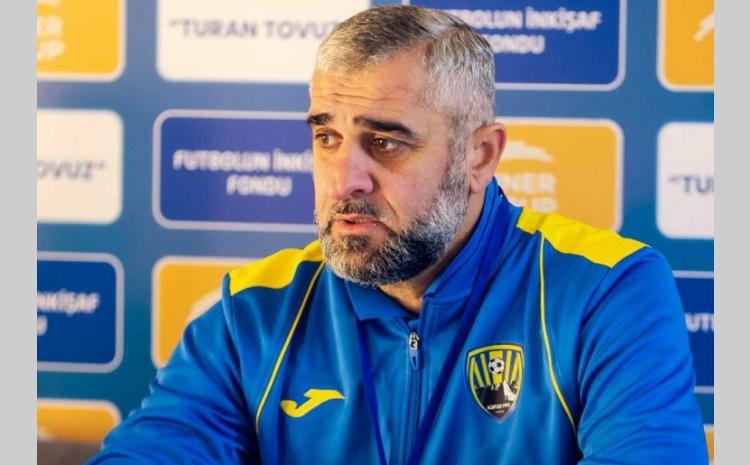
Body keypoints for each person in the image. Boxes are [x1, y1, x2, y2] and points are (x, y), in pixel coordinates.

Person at [87, 5, 708, 464]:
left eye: (384, 142)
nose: (343, 180)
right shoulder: (252, 312)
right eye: (326, 137)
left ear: (479, 156)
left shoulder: (605, 290)